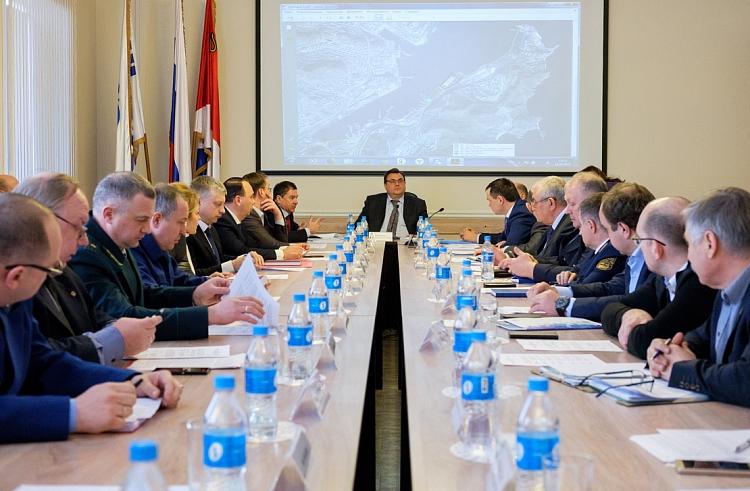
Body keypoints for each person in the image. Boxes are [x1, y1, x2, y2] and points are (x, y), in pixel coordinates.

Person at [0, 192, 182, 443]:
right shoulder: (18, 294)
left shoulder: (14, 300)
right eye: (51, 269)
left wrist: (134, 381)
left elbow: (44, 362)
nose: (55, 278)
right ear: (16, 276)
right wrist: (73, 413)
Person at [69, 172, 265, 340]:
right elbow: (123, 317)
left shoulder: (119, 239)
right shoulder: (87, 254)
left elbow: (145, 294)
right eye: (141, 220)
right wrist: (208, 315)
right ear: (109, 215)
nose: (147, 229)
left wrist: (195, 294)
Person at [16, 173, 158, 366]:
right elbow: (37, 359)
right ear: (43, 222)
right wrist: (113, 340)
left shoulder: (62, 271)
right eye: (78, 228)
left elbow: (93, 316)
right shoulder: (16, 281)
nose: (84, 241)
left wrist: (117, 328)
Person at [648, 188, 750, 407]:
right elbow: (702, 338)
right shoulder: (725, 289)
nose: (688, 255)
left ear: (710, 243)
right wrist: (670, 350)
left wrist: (682, 370)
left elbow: (745, 379)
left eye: (690, 244)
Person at [602, 197, 717, 358]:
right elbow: (609, 310)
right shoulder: (661, 279)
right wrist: (628, 314)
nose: (640, 248)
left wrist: (634, 329)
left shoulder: (698, 284)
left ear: (656, 248)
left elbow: (645, 340)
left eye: (639, 240)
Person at [526, 182, 656, 320]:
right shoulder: (634, 257)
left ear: (624, 229)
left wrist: (563, 305)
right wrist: (558, 290)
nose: (607, 236)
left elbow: (632, 302)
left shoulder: (653, 262)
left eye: (607, 228)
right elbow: (611, 288)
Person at [502, 172, 608, 282]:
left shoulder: (571, 227)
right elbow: (569, 265)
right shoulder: (555, 225)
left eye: (572, 203)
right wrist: (531, 262)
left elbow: (577, 272)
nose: (567, 210)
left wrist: (533, 268)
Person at [132, 184, 213, 289]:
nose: (183, 232)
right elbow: (152, 295)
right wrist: (196, 294)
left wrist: (209, 282)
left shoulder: (161, 249)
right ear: (157, 220)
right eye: (180, 222)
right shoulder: (135, 253)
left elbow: (180, 280)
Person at [214, 177, 304, 261]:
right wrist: (282, 253)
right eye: (251, 197)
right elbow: (241, 251)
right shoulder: (224, 220)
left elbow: (254, 245)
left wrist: (287, 249)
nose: (253, 202)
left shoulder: (236, 220)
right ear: (238, 200)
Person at [459, 177, 535, 246]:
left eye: (490, 200)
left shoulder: (521, 215)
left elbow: (512, 246)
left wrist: (500, 246)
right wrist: (476, 237)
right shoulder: (515, 211)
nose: (489, 205)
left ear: (500, 200)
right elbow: (502, 238)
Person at [356, 168, 428, 238]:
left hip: (406, 243)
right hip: (377, 242)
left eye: (400, 181)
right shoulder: (372, 202)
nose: (397, 184)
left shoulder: (418, 204)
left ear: (405, 183)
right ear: (385, 185)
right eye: (392, 181)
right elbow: (358, 226)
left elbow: (425, 230)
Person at [241, 172, 291, 249]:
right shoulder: (248, 215)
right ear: (261, 192)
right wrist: (292, 247)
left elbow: (282, 241)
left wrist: (278, 214)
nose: (270, 193)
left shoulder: (265, 213)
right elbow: (270, 244)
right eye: (269, 189)